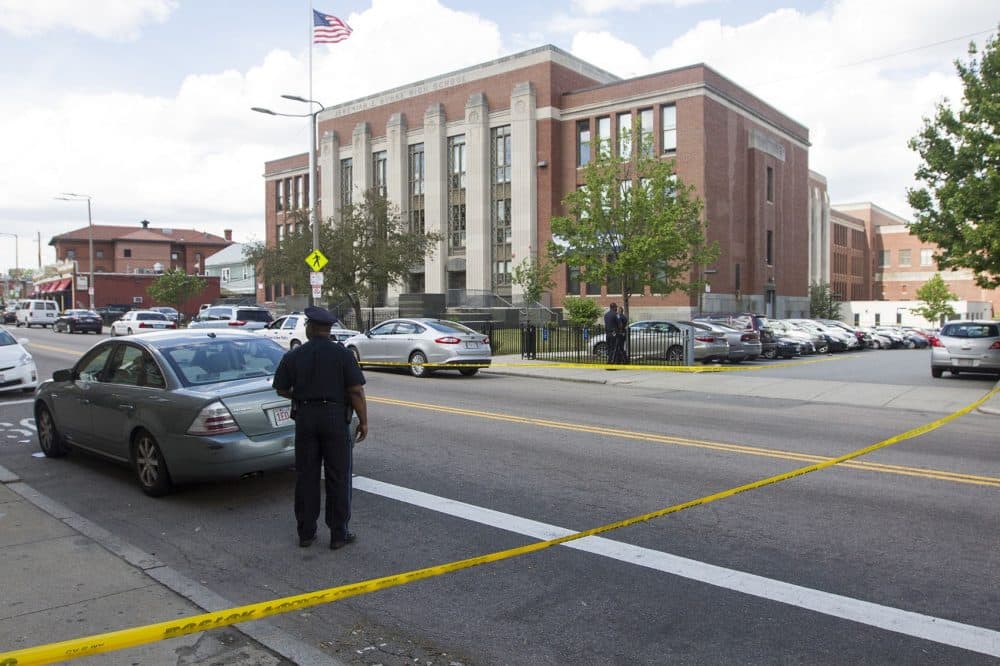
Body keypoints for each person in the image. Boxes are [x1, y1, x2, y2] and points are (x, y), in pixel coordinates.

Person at [273, 306, 368, 550]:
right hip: (335, 418)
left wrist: (302, 396)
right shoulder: (342, 355)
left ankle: (306, 533)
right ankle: (338, 534)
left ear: (310, 328)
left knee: (306, 476)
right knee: (338, 477)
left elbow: (281, 388)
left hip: (305, 417)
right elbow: (355, 390)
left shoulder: (294, 355)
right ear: (328, 329)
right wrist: (364, 421)